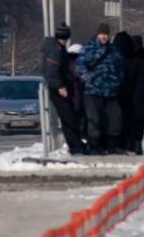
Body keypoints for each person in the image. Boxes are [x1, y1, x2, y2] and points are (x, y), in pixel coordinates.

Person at [75, 22, 126, 154]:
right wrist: (90, 78)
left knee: (115, 117)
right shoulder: (89, 48)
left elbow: (120, 67)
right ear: (98, 34)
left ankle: (112, 145)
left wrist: (118, 79)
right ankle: (94, 145)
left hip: (111, 89)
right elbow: (80, 68)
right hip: (94, 90)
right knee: (94, 119)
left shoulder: (113, 50)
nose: (104, 37)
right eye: (101, 34)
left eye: (106, 34)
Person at [42, 22, 87, 155]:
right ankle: (75, 146)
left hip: (60, 86)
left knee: (70, 117)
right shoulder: (56, 50)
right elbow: (51, 71)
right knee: (69, 118)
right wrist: (60, 86)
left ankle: (76, 145)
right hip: (59, 89)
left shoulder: (56, 48)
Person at [113, 32, 138, 152]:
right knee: (129, 119)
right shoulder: (133, 60)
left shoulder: (113, 59)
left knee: (116, 118)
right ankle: (129, 143)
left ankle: (117, 143)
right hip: (130, 94)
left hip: (115, 93)